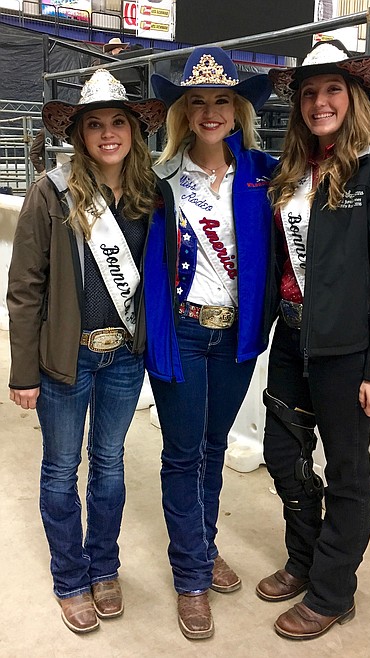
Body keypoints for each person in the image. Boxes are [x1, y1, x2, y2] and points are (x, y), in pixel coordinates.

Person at [255, 40, 370, 640]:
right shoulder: (293, 172)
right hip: (292, 338)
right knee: (283, 455)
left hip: (347, 353)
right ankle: (304, 559)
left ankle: (332, 591)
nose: (320, 102)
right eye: (310, 92)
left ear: (356, 98)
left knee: (346, 471)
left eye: (333, 90)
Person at [7, 69, 166, 634]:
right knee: (59, 469)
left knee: (110, 465)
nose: (108, 133)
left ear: (134, 130)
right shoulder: (51, 192)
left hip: (123, 357)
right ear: (79, 134)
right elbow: (24, 287)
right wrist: (23, 371)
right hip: (64, 359)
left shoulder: (151, 194)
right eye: (94, 124)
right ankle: (70, 577)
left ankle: (104, 567)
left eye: (118, 122)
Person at [145, 46, 278, 640]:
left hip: (235, 337)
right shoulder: (158, 179)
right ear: (182, 112)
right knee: (182, 452)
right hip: (181, 331)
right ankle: (191, 575)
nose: (209, 112)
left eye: (222, 100)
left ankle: (203, 544)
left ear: (238, 109)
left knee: (213, 445)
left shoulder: (264, 173)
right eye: (196, 101)